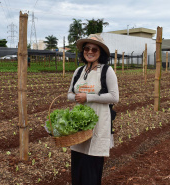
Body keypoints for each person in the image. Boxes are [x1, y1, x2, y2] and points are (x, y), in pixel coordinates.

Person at [67, 34, 119, 185]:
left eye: (94, 49)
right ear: (83, 51)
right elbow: (69, 94)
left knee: (92, 167)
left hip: (98, 123)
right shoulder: (78, 71)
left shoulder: (106, 71)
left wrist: (88, 97)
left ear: (100, 52)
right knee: (78, 166)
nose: (90, 51)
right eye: (87, 48)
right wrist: (77, 97)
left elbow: (114, 97)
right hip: (79, 124)